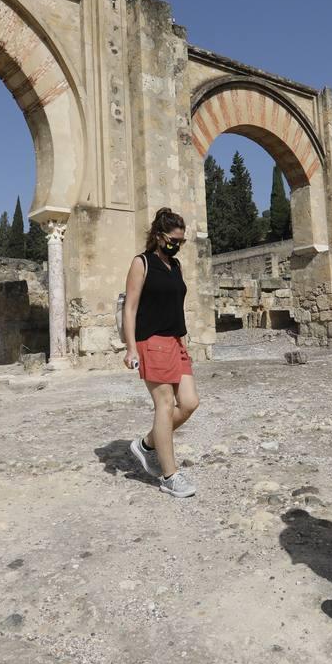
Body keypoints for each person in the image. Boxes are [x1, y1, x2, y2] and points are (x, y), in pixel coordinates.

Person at [121, 207, 200, 497]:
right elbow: (129, 308)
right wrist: (131, 348)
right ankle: (170, 476)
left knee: (190, 403)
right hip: (151, 340)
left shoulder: (175, 266)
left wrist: (182, 339)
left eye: (181, 241)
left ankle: (145, 444)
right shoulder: (141, 263)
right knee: (165, 406)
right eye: (173, 239)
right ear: (158, 234)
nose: (176, 245)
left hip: (175, 341)